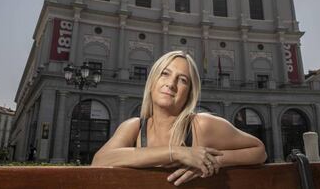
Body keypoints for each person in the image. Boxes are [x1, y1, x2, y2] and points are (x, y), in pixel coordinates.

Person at [92, 51, 267, 186]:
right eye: (165, 74)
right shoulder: (133, 127)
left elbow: (259, 150)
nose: (171, 84)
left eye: (182, 80)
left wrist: (210, 162)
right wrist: (176, 152)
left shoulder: (201, 125)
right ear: (152, 81)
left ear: (189, 93)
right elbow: (99, 161)